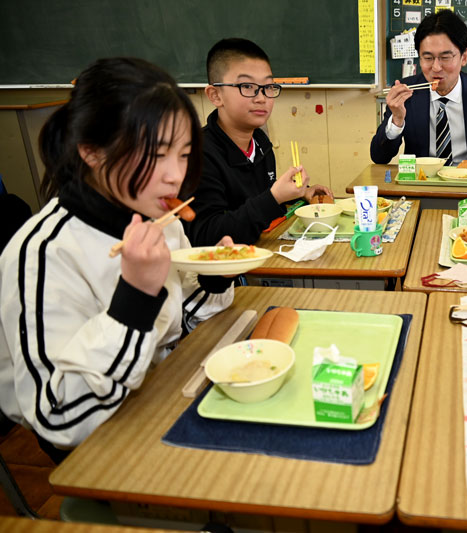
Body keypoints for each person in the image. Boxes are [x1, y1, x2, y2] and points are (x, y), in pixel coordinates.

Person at [0, 57, 235, 460]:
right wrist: (136, 296)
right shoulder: (42, 252)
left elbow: (184, 314)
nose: (175, 176)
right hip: (95, 445)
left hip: (160, 394)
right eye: (158, 155)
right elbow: (61, 416)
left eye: (182, 154)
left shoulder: (157, 217)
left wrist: (212, 278)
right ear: (92, 152)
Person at [185, 38, 332, 246]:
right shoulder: (198, 153)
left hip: (262, 255)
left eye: (268, 87)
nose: (262, 97)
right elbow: (208, 236)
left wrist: (299, 195)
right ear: (215, 95)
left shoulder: (260, 141)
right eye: (247, 86)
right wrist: (274, 198)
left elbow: (255, 201)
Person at [370, 10, 467, 165]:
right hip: (422, 183)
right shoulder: (407, 93)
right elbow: (379, 157)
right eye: (428, 58)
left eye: (445, 58)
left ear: (464, 57)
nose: (436, 67)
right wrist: (397, 120)